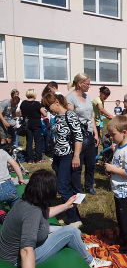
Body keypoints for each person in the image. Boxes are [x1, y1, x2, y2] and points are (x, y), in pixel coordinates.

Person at [0, 170, 111, 268]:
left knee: (64, 231)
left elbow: (44, 213)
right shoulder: (32, 213)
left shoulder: (27, 202)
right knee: (71, 231)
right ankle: (91, 261)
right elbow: (26, 250)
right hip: (17, 259)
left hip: (13, 250)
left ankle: (80, 245)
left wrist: (66, 205)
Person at [42, 92, 83, 227]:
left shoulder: (69, 115)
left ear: (56, 102)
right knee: (64, 186)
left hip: (68, 155)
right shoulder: (57, 117)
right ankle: (72, 214)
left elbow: (78, 136)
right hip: (58, 155)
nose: (48, 110)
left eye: (48, 107)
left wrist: (76, 156)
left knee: (63, 187)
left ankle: (74, 220)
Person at [104, 116, 127, 253]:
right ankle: (124, 239)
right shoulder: (119, 146)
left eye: (113, 135)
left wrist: (113, 170)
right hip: (119, 191)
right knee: (122, 219)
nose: (111, 137)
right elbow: (119, 166)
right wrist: (112, 171)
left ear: (124, 132)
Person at [66, 73, 99, 195]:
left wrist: (95, 133)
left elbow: (91, 116)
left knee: (91, 164)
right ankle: (77, 190)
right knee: (77, 165)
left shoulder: (87, 96)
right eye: (87, 84)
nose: (89, 86)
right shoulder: (70, 98)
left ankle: (89, 186)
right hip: (77, 136)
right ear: (79, 84)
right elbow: (69, 118)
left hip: (89, 134)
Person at [20, 90, 47, 164]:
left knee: (29, 142)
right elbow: (44, 114)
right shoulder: (36, 103)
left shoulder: (23, 103)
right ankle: (38, 159)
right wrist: (39, 115)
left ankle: (29, 159)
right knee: (37, 141)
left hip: (27, 124)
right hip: (36, 124)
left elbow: (20, 114)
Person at [92, 86, 114, 153]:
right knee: (94, 141)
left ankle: (94, 158)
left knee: (97, 141)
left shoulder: (102, 100)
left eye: (107, 96)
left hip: (97, 123)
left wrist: (109, 117)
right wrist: (110, 116)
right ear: (101, 93)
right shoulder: (97, 100)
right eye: (105, 95)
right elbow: (101, 109)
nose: (106, 97)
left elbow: (101, 112)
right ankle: (93, 158)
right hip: (92, 123)